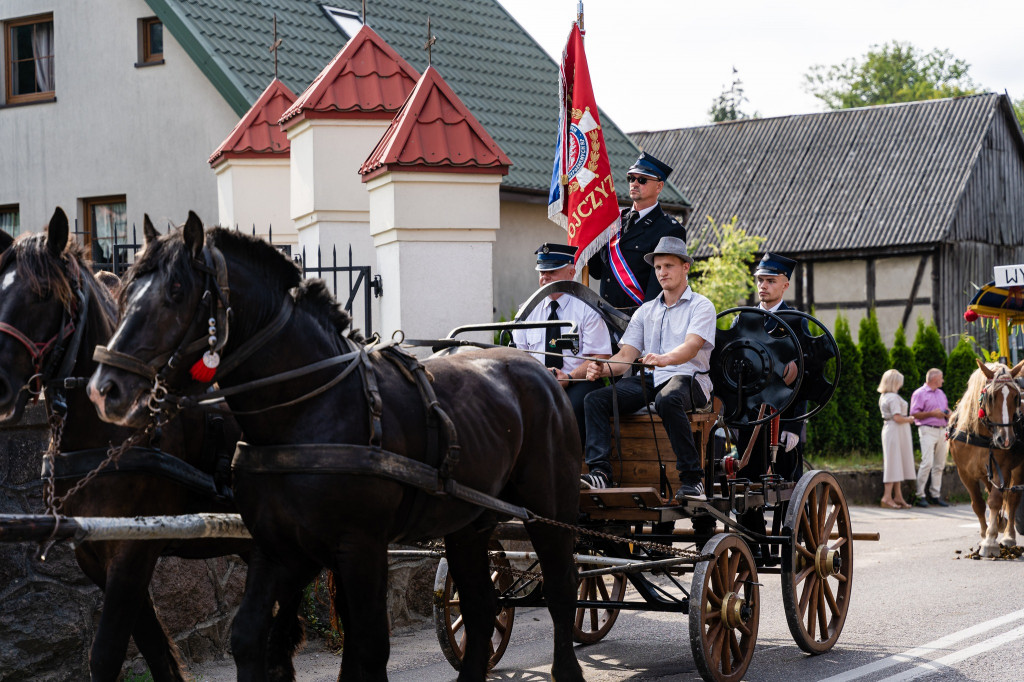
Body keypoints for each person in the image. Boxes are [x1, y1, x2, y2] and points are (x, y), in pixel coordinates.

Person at [580, 236, 716, 500]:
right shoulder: (645, 311)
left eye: (668, 266)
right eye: (657, 267)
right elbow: (626, 356)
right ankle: (600, 473)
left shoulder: (702, 306)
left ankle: (692, 480)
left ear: (685, 267)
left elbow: (691, 348)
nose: (662, 272)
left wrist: (664, 359)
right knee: (595, 400)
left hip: (689, 379)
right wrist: (602, 368)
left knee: (668, 399)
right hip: (653, 380)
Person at [512, 243, 612, 450]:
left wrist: (568, 377)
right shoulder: (526, 312)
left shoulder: (587, 309)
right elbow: (518, 356)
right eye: (542, 272)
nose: (545, 278)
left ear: (571, 272)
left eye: (552, 272)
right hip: (538, 380)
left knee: (571, 408)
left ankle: (571, 464)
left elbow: (599, 357)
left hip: (579, 381)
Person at [587, 152, 686, 310]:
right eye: (631, 178)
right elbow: (597, 272)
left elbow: (658, 287)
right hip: (604, 316)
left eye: (642, 180)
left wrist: (642, 323)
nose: (634, 184)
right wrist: (587, 234)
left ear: (659, 186)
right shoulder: (613, 221)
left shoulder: (669, 229)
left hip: (638, 319)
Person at [910, 368, 951, 507]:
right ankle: (920, 495)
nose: (943, 380)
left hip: (942, 430)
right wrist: (932, 414)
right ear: (934, 379)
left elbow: (945, 409)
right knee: (927, 462)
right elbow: (914, 413)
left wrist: (948, 413)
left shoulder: (941, 393)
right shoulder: (919, 393)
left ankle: (935, 495)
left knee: (939, 464)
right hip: (927, 430)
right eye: (941, 378)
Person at [878, 369, 915, 509]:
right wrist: (910, 419)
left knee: (896, 462)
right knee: (893, 463)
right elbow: (897, 417)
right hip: (895, 429)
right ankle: (887, 497)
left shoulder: (884, 396)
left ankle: (898, 496)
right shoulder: (892, 397)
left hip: (892, 430)